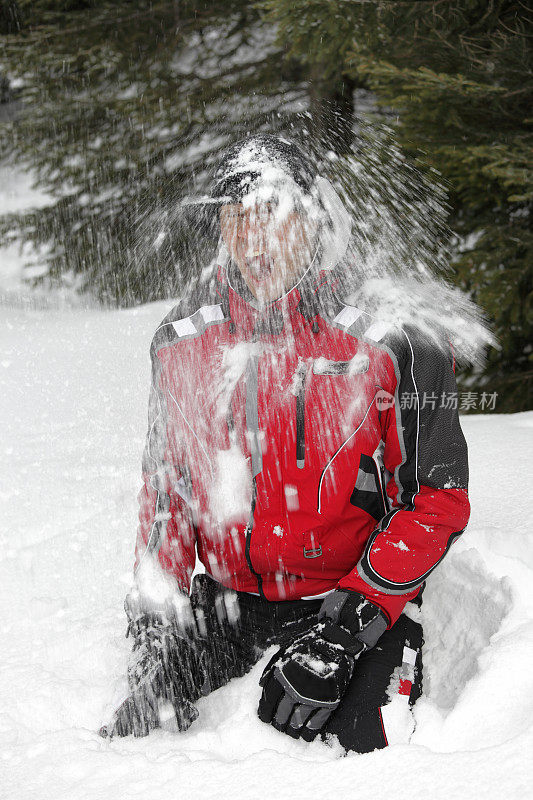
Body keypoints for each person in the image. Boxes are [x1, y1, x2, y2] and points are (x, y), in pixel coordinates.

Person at [100, 135, 470, 752]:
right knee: (139, 735)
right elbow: (168, 495)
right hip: (229, 603)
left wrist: (349, 627)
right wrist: (156, 622)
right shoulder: (183, 340)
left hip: (348, 596)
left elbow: (437, 500)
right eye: (236, 219)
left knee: (361, 748)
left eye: (272, 215)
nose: (254, 240)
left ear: (311, 218)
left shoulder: (394, 340)